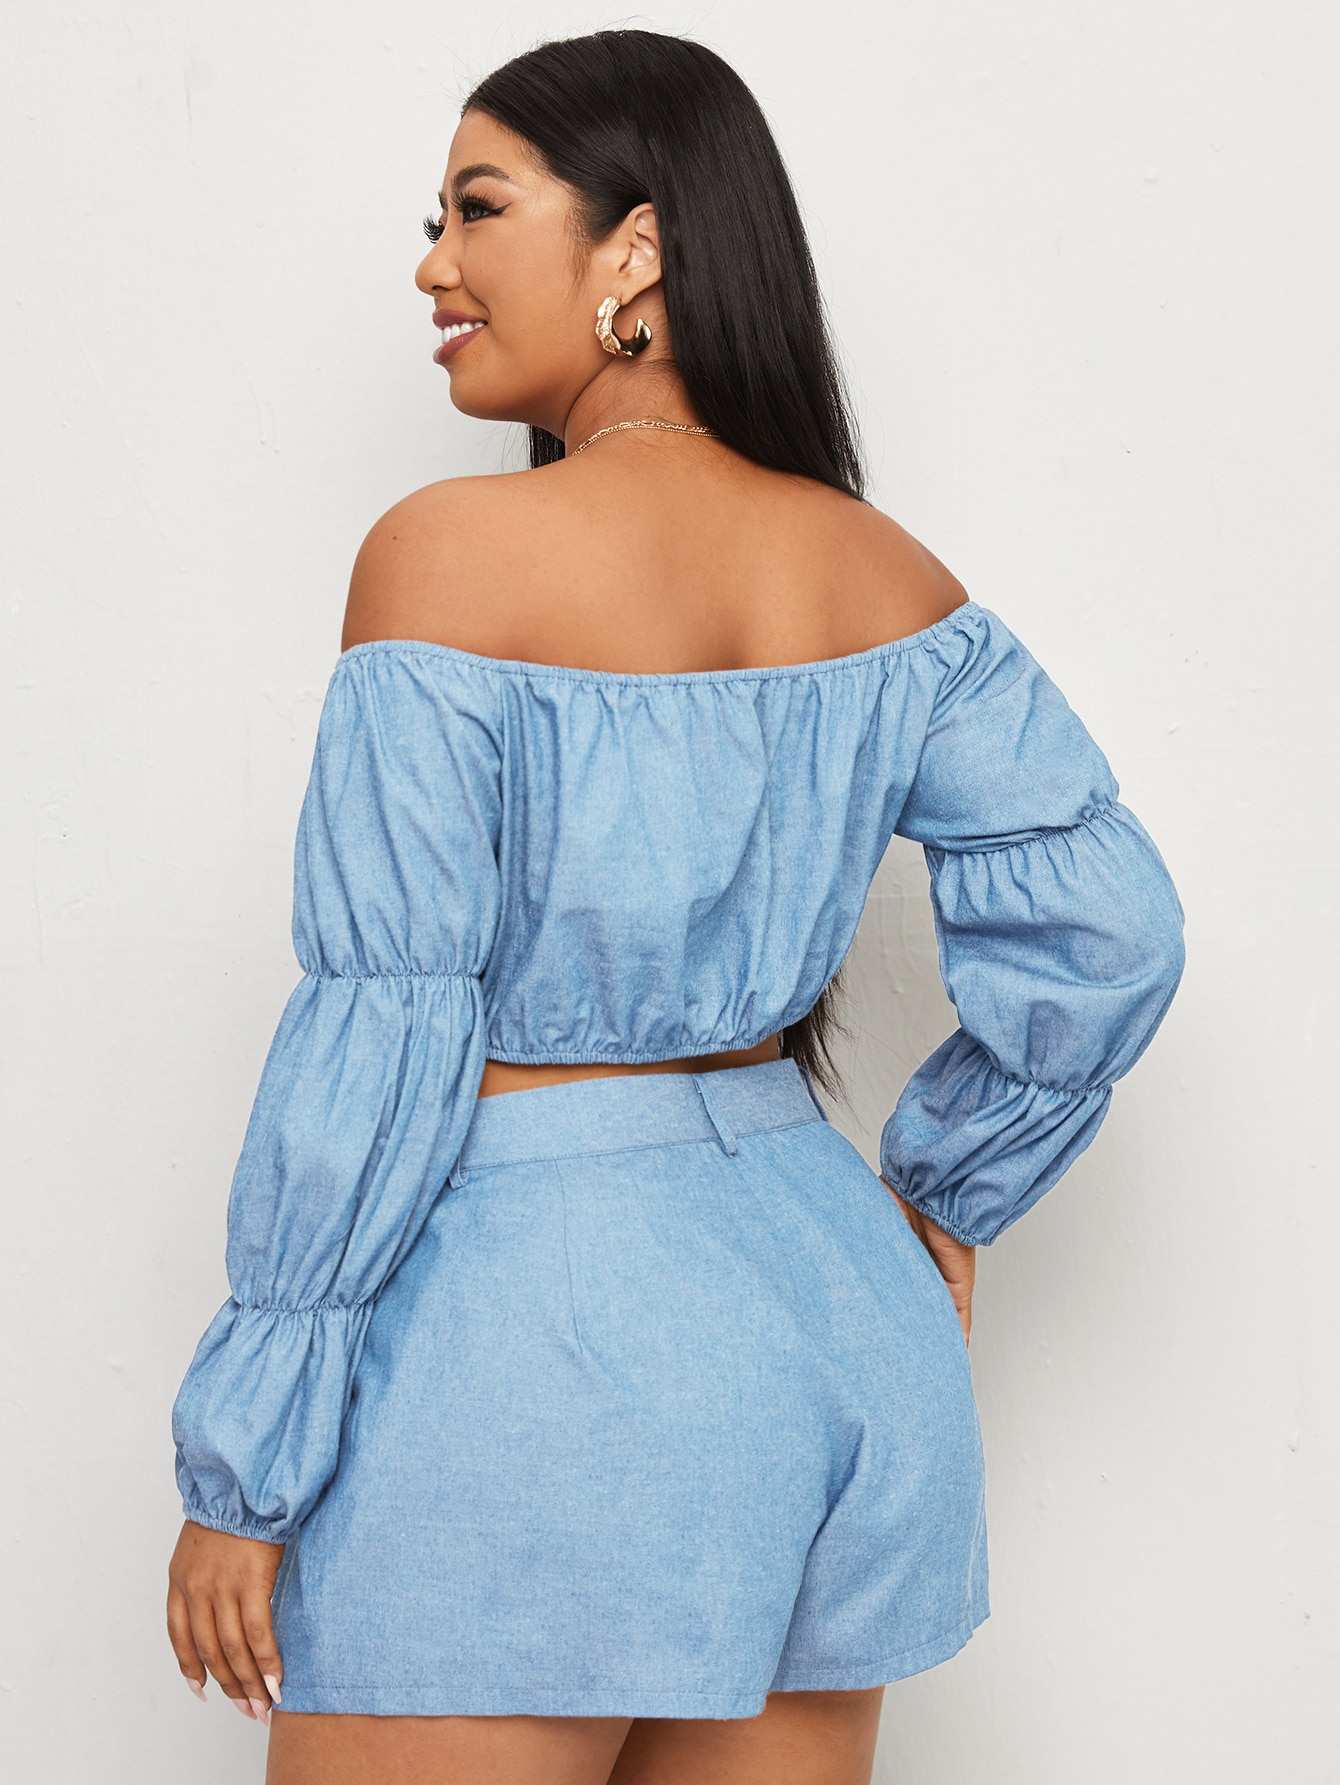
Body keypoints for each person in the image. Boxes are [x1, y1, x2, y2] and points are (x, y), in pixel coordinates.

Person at [163, 29, 1186, 1785]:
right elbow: (1113, 934)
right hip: (829, 1317)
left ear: (633, 248)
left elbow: (383, 1024)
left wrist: (245, 1463)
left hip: (538, 1343)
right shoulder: (883, 576)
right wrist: (943, 1191)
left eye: (478, 208)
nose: (434, 265)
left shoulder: (445, 558)